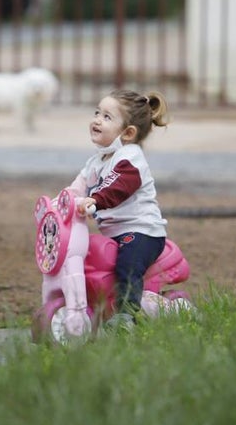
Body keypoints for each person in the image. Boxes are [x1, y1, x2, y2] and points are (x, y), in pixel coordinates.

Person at [65, 89, 170, 328]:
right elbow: (78, 186)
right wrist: (64, 200)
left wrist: (95, 200)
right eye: (97, 113)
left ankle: (126, 316)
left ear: (128, 133)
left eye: (107, 117)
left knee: (127, 266)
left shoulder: (129, 158)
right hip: (115, 234)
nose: (97, 120)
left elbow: (118, 186)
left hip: (142, 231)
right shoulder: (96, 161)